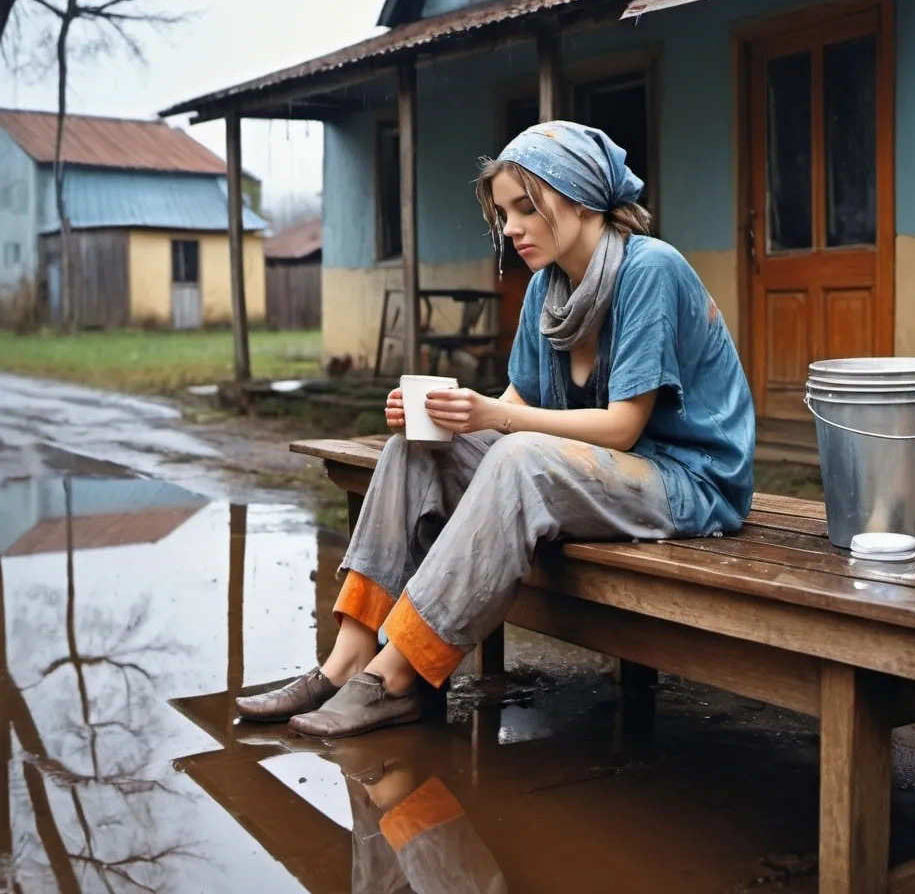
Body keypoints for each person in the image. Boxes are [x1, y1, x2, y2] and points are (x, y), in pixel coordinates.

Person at [235, 120, 755, 739]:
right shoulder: (548, 288)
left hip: (687, 480)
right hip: (606, 477)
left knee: (520, 458)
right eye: (504, 212)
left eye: (525, 208)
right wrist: (447, 416)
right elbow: (515, 401)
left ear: (579, 196)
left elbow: (621, 428)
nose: (510, 228)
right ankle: (346, 660)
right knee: (415, 449)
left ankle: (403, 677)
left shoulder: (649, 269)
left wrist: (495, 417)